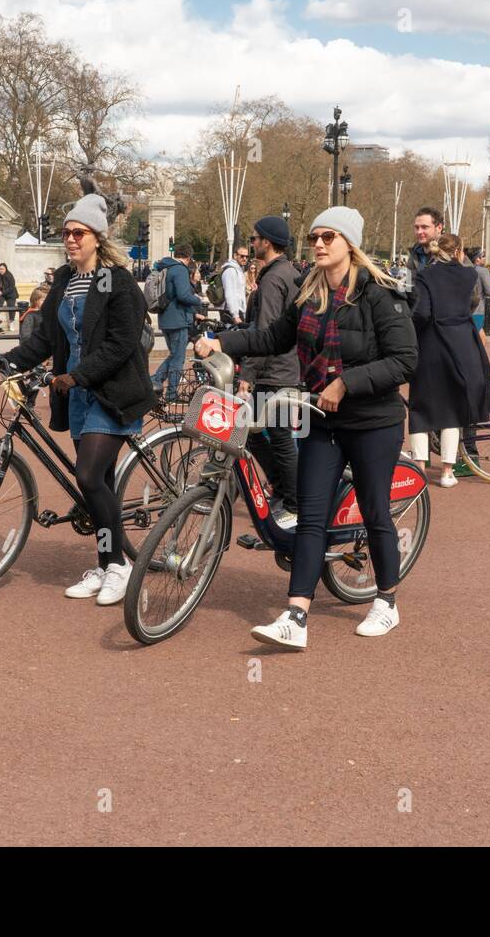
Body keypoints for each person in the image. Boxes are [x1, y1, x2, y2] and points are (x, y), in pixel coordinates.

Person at [195, 206, 418, 650]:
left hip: (374, 423)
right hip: (323, 420)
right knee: (311, 517)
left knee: (375, 513)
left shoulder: (380, 295)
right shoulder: (309, 295)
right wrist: (224, 341)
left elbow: (404, 360)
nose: (318, 243)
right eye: (315, 236)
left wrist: (345, 382)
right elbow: (273, 338)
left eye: (329, 237)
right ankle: (296, 615)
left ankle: (386, 601)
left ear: (349, 244)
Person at [0, 193, 156, 607]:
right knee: (96, 484)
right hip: (77, 395)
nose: (70, 239)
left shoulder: (118, 282)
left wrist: (77, 375)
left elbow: (121, 344)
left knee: (87, 476)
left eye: (78, 232)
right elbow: (49, 337)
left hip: (112, 393)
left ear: (97, 237)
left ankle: (119, 566)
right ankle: (105, 565)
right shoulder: (65, 280)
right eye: (66, 232)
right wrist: (7, 358)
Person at [408, 233, 490, 488]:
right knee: (452, 411)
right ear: (459, 251)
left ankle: (420, 470)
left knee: (421, 406)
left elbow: (422, 312)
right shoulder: (469, 275)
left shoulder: (425, 276)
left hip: (433, 342)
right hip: (463, 342)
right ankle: (447, 472)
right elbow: (473, 303)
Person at [241, 215, 301, 524]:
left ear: (267, 241)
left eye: (254, 238)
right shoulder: (288, 273)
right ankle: (283, 488)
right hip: (284, 368)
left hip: (274, 372)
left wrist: (246, 377)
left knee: (274, 436)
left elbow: (264, 333)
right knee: (259, 433)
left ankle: (292, 501)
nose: (252, 244)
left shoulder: (273, 278)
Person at [150, 242, 205, 400]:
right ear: (188, 257)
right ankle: (171, 394)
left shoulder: (165, 267)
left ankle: (154, 382)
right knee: (178, 359)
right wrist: (198, 301)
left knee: (174, 355)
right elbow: (183, 295)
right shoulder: (180, 269)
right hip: (178, 319)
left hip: (166, 318)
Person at [219, 245, 247, 324]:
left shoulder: (238, 270)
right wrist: (235, 315)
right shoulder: (230, 271)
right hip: (231, 312)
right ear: (235, 255)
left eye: (246, 256)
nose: (245, 258)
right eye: (242, 256)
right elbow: (230, 293)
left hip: (237, 310)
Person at [0, 262, 19, 328]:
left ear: (6, 269)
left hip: (11, 294)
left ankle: (11, 321)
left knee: (11, 306)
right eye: (0, 269)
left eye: (3, 269)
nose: (1, 270)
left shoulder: (9, 276)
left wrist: (2, 292)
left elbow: (12, 287)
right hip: (2, 294)